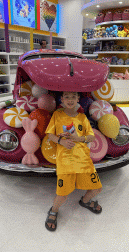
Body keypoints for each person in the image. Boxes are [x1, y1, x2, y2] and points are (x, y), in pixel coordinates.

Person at [44, 91, 103, 232]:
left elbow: (91, 137)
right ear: (62, 99)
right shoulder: (57, 115)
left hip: (83, 160)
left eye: (73, 97)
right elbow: (49, 134)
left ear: (78, 99)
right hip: (66, 161)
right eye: (67, 97)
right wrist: (61, 142)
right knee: (62, 194)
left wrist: (78, 139)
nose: (70, 100)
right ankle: (53, 210)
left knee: (97, 188)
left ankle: (85, 201)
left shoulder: (82, 117)